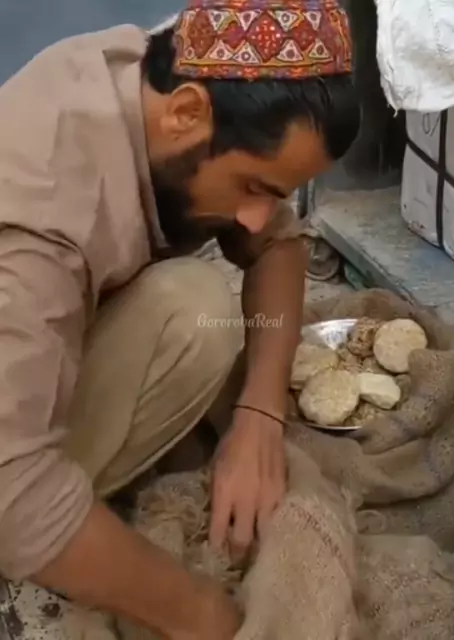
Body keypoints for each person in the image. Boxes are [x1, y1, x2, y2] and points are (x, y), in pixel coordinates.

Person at [0, 1, 359, 638]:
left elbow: (279, 243)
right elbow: (11, 489)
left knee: (192, 311)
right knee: (196, 310)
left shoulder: (163, 86)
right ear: (187, 113)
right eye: (254, 188)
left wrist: (260, 415)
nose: (257, 216)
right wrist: (203, 615)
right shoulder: (40, 225)